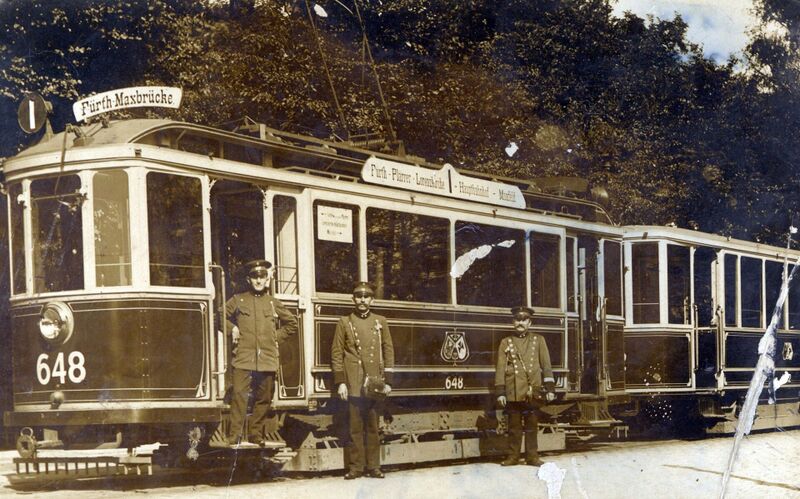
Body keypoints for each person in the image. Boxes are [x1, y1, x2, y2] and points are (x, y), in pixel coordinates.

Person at [225, 259, 298, 446]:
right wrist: (231, 328)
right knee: (239, 396)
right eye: (254, 276)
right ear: (249, 280)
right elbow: (219, 316)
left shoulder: (273, 303)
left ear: (267, 280)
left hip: (266, 359)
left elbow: (292, 323)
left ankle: (255, 434)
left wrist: (276, 337)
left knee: (264, 398)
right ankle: (235, 435)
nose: (258, 280)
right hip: (243, 358)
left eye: (262, 276)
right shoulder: (238, 300)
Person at [331, 281, 394, 479]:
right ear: (353, 299)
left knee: (373, 427)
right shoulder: (344, 322)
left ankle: (374, 467)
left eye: (366, 297)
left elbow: (388, 349)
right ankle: (356, 468)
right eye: (359, 296)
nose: (362, 300)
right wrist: (340, 382)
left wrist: (388, 381)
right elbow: (336, 353)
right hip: (354, 383)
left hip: (374, 382)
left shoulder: (381, 321)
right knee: (354, 428)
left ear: (372, 300)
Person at [495, 306, 556, 466]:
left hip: (532, 390)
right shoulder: (505, 342)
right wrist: (500, 392)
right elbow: (500, 368)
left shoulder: (538, 340)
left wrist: (550, 388)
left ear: (530, 322)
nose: (520, 323)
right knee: (514, 427)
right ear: (513, 322)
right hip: (513, 390)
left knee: (531, 426)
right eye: (517, 320)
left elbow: (546, 365)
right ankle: (513, 457)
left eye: (524, 320)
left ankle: (532, 457)